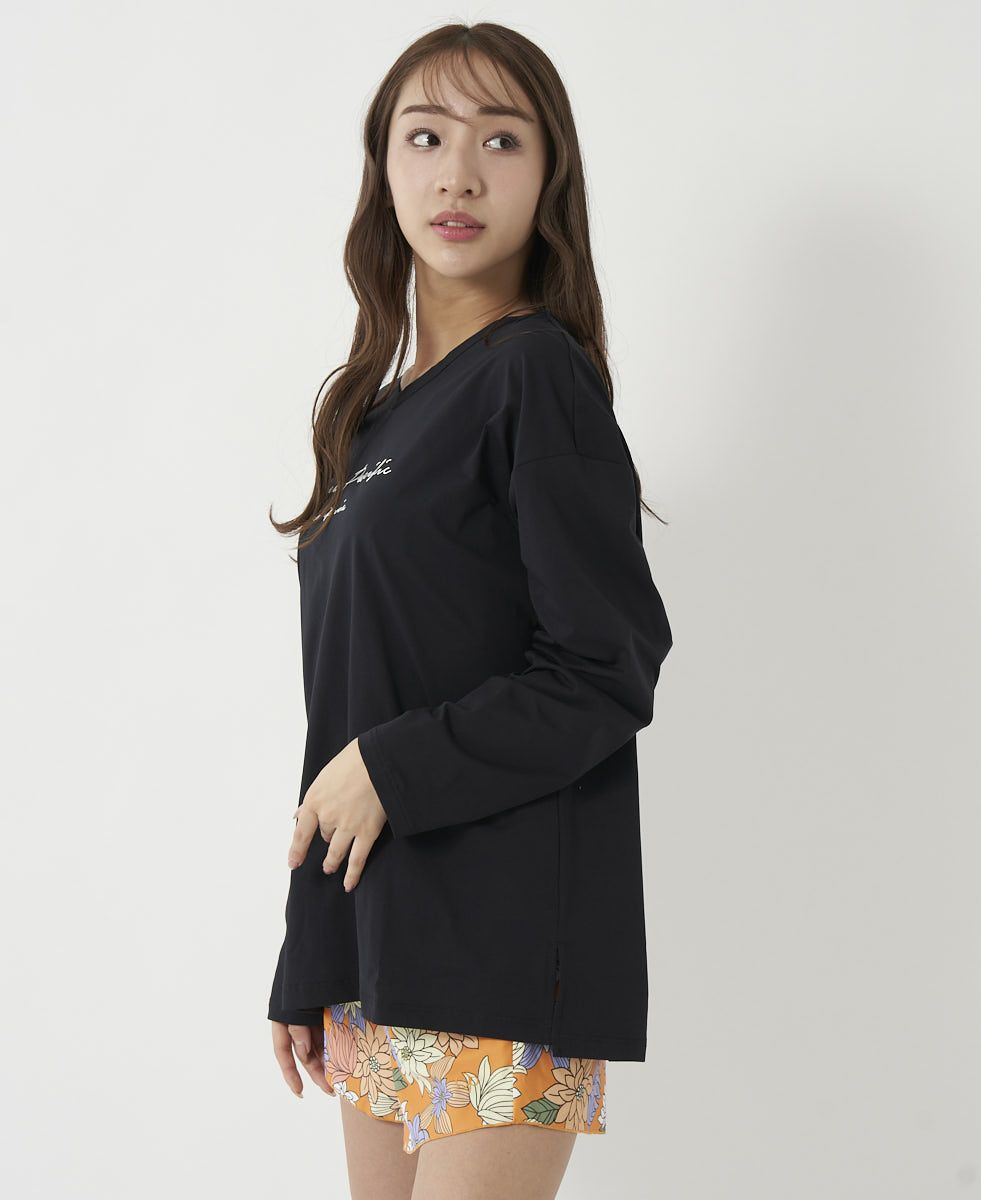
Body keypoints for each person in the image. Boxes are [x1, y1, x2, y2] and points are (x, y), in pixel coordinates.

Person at [266, 21, 673, 1200]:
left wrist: (392, 768)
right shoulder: (368, 419)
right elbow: (343, 707)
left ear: (548, 175)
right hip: (375, 951)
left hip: (502, 949)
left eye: (500, 140)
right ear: (382, 167)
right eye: (425, 137)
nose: (457, 174)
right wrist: (309, 953)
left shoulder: (536, 374)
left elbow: (604, 666)